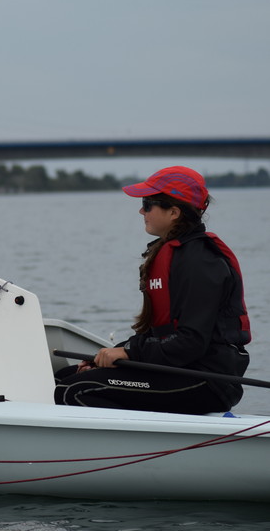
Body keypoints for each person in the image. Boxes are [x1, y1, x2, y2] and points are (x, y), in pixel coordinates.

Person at [54, 166, 251, 414]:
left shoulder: (201, 263)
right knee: (63, 376)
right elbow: (160, 334)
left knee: (75, 389)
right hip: (177, 368)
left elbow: (191, 342)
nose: (141, 211)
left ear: (174, 212)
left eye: (147, 205)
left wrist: (127, 353)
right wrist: (111, 355)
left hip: (206, 380)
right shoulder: (173, 254)